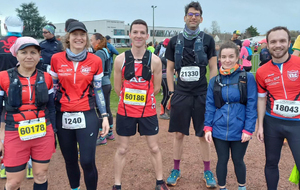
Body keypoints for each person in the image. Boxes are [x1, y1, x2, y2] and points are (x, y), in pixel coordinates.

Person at [50, 21, 109, 190]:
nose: (78, 38)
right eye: (75, 34)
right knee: (69, 160)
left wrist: (104, 116)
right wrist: (50, 118)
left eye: (82, 35)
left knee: (87, 160)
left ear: (86, 38)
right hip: (63, 115)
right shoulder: (56, 59)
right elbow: (53, 90)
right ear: (68, 37)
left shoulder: (95, 60)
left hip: (87, 114)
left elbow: (98, 91)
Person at [165, 1, 218, 188]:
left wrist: (212, 91)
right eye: (190, 14)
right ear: (185, 17)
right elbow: (169, 69)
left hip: (202, 93)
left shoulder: (208, 40)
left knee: (204, 134)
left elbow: (213, 67)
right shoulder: (174, 41)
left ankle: (207, 171)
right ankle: (176, 169)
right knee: (178, 134)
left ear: (201, 18)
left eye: (196, 14)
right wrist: (171, 92)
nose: (193, 17)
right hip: (181, 94)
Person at [112, 19, 169, 190]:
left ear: (147, 35)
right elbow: (117, 88)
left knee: (154, 148)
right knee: (122, 149)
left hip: (148, 112)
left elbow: (157, 88)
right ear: (130, 34)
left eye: (142, 32)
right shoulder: (120, 59)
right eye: (135, 32)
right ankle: (117, 185)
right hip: (125, 112)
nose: (138, 35)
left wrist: (143, 100)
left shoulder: (156, 61)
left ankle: (159, 182)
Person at [0, 37, 56, 190]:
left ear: (39, 56)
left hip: (43, 131)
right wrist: (1, 136)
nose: (29, 56)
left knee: (41, 175)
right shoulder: (3, 77)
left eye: (33, 52)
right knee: (13, 182)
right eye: (24, 52)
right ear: (16, 55)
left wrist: (54, 132)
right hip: (14, 131)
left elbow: (51, 108)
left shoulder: (46, 77)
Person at [204, 41, 257, 190]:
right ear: (219, 58)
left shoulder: (247, 78)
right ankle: (222, 187)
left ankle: (242, 187)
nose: (227, 60)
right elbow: (210, 105)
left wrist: (248, 129)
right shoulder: (214, 80)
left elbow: (252, 105)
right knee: (222, 160)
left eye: (231, 56)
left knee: (238, 160)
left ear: (237, 57)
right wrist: (207, 127)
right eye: (224, 56)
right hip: (219, 128)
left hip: (240, 128)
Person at [256, 26, 300, 190]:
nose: (278, 45)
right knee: (271, 163)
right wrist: (260, 125)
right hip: (272, 123)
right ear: (267, 45)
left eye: (282, 41)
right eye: (273, 41)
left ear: (289, 43)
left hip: (297, 124)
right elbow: (261, 99)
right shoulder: (261, 71)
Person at [0, 15, 35, 180]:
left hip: (2, 92)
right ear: (23, 27)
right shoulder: (30, 45)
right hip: (26, 91)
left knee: (3, 128)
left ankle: (4, 164)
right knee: (28, 124)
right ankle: (28, 164)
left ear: (5, 27)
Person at [90, 33, 115, 145]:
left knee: (100, 109)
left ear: (98, 41)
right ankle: (109, 132)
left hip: (102, 84)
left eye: (92, 40)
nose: (91, 42)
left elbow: (98, 70)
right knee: (106, 108)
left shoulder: (100, 52)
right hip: (107, 82)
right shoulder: (106, 50)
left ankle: (102, 136)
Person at [159, 38, 171, 120]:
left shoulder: (168, 51)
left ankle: (168, 108)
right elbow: (163, 60)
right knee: (166, 94)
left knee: (174, 93)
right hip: (164, 76)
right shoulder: (165, 53)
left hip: (168, 76)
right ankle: (162, 112)